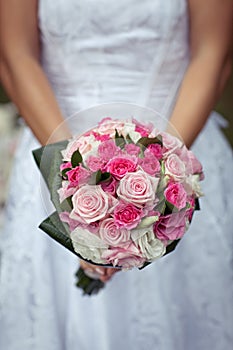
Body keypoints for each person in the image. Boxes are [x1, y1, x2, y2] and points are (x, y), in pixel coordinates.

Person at [0, 0, 233, 349]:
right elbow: (16, 55)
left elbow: (213, 52)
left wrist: (163, 175)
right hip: (52, 140)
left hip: (179, 140)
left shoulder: (168, 168)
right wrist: (72, 183)